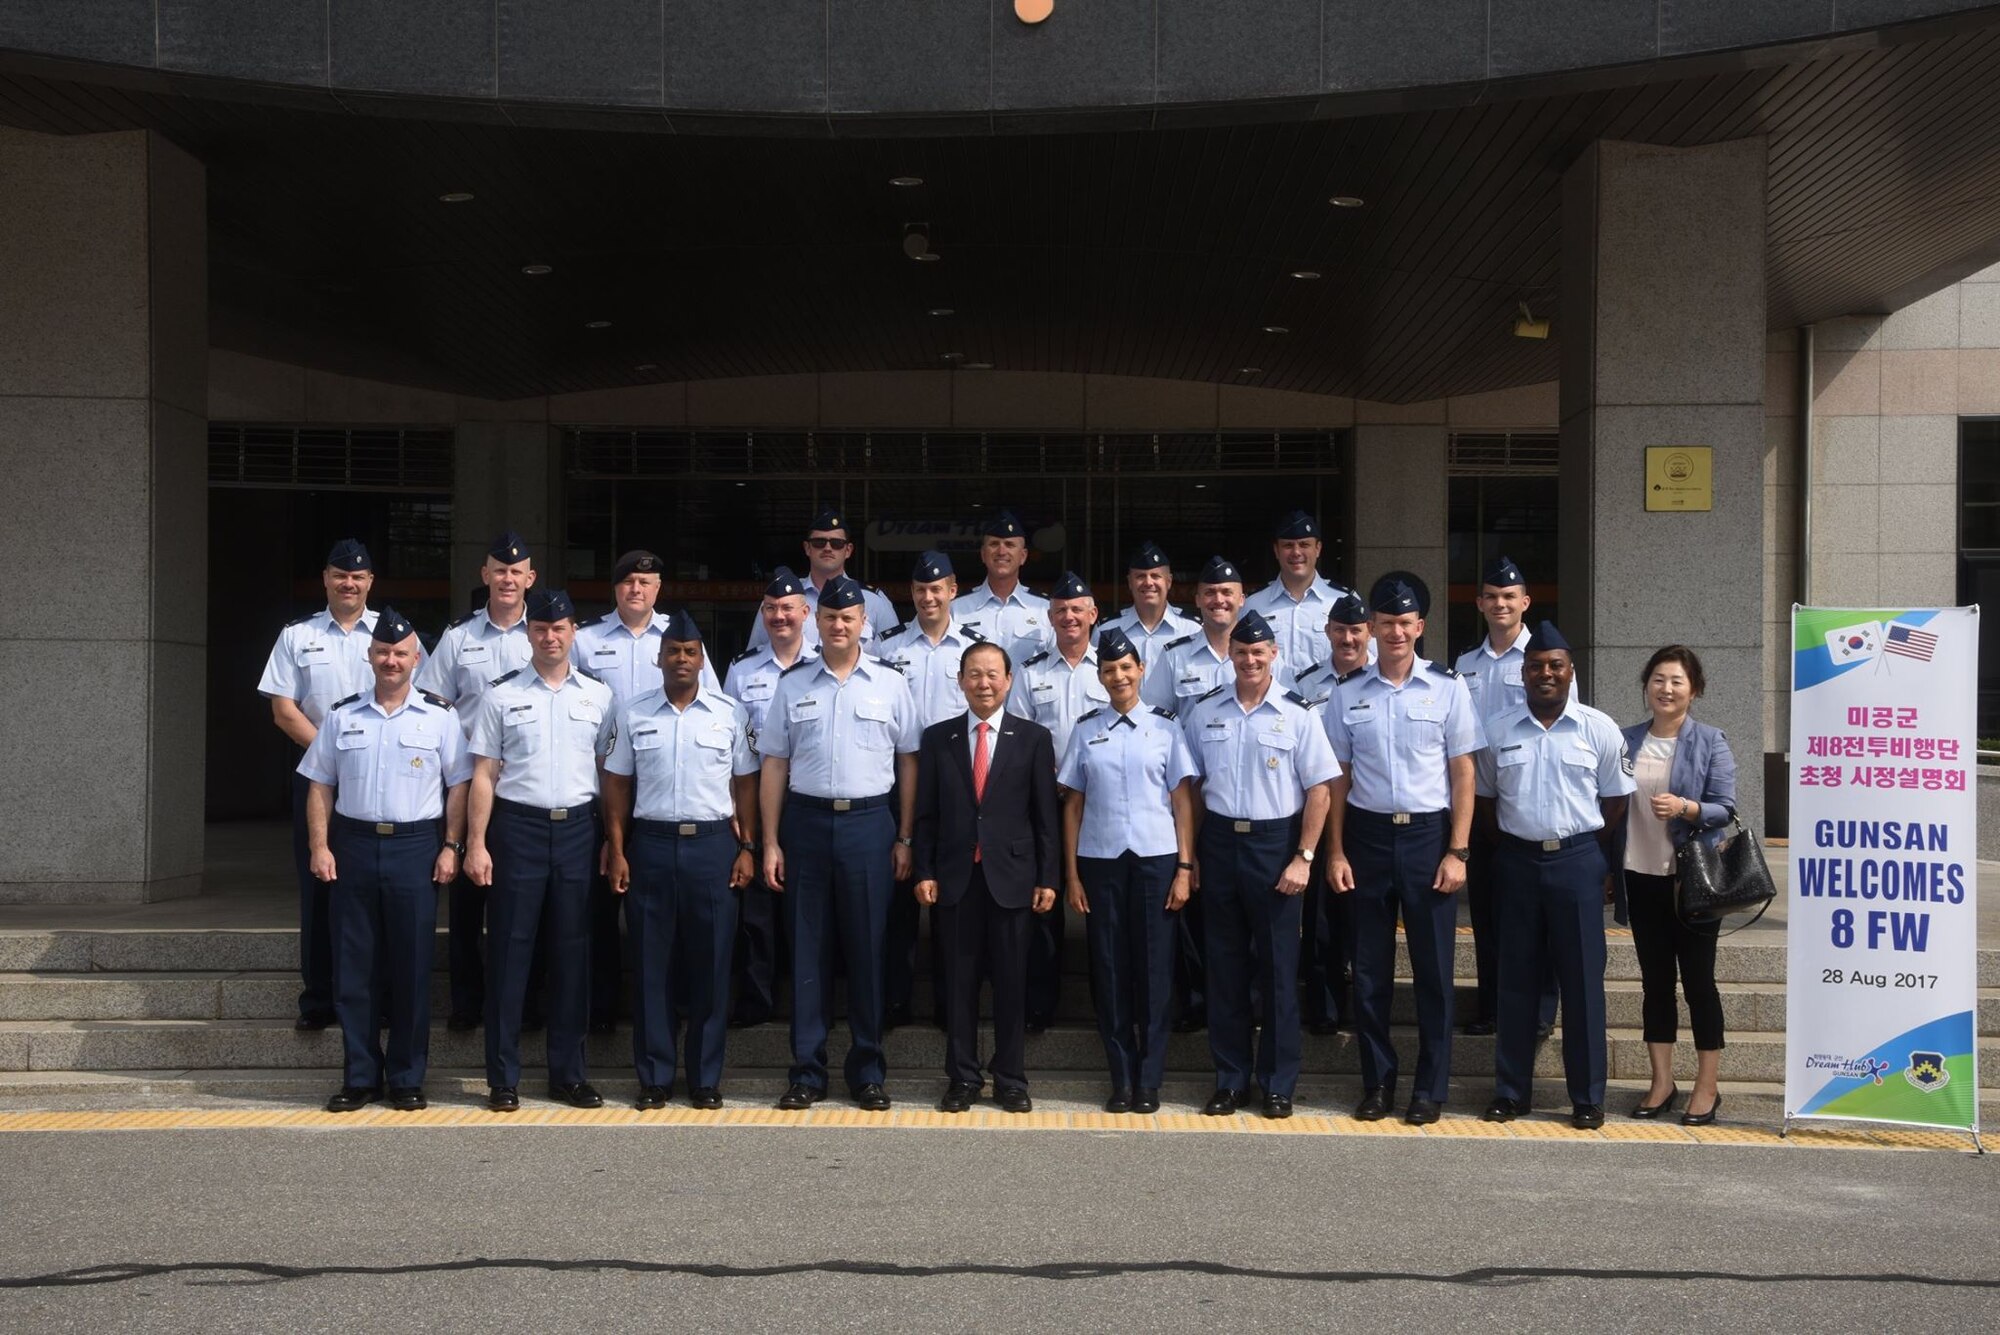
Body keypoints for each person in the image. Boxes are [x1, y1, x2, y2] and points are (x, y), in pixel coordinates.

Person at [759, 575, 922, 1111]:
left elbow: (908, 762)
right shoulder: (794, 684)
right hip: (805, 824)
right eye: (829, 617)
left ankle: (868, 1069)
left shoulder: (890, 683)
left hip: (870, 825)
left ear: (863, 625)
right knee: (808, 949)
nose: (838, 626)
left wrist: (904, 835)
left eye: (847, 618)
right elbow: (775, 764)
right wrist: (771, 841)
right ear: (816, 621)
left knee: (868, 949)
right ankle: (807, 1070)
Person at [1322, 581, 1481, 1124]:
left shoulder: (1448, 689)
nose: (1394, 632)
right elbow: (1337, 779)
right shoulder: (1347, 693)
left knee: (1434, 973)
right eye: (1384, 622)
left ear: (1420, 628)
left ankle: (1429, 1089)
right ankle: (1378, 1083)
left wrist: (1458, 850)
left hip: (1427, 838)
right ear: (1370, 627)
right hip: (1365, 838)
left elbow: (1463, 772)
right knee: (1369, 974)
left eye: (1404, 622)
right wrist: (1335, 851)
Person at [298, 608, 469, 1113]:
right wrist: (319, 845)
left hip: (415, 846)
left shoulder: (440, 715)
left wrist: (451, 845)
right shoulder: (343, 714)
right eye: (382, 652)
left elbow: (459, 784)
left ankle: (407, 1077)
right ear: (370, 657)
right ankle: (360, 1076)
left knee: (412, 966)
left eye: (400, 653)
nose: (391, 660)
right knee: (355, 967)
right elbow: (319, 783)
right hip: (352, 844)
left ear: (417, 658)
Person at [463, 587, 616, 1112]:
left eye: (559, 628)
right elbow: (483, 774)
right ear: (529, 633)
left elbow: (608, 774)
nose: (549, 637)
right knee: (509, 952)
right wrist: (476, 843)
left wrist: (612, 842)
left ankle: (568, 1074)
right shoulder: (500, 694)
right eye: (540, 629)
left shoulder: (599, 695)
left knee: (572, 953)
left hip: (578, 830)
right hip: (518, 830)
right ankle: (502, 1078)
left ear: (573, 633)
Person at [1475, 624, 1634, 1130]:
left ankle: (1587, 1098)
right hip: (1517, 862)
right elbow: (1484, 800)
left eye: (1555, 665)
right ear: (1522, 674)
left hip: (1577, 862)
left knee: (1584, 982)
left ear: (1570, 672)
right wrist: (1517, 844)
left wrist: (1587, 854)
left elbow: (1616, 801)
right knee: (1515, 981)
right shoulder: (1497, 729)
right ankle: (1511, 1091)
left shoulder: (1598, 728)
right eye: (1536, 666)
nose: (1546, 674)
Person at [1181, 610, 1339, 1119]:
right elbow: (1193, 791)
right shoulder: (1205, 712)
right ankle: (1230, 1080)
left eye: (1259, 652)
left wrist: (1305, 857)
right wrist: (1191, 857)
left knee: (1276, 969)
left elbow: (1320, 790)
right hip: (1221, 844)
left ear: (1275, 655)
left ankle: (1276, 1082)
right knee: (1224, 969)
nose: (1249, 660)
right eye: (1242, 652)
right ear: (1231, 655)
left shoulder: (1298, 714)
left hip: (1276, 846)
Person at [602, 611, 760, 1111]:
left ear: (701, 658)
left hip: (712, 848)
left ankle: (705, 1078)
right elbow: (617, 784)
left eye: (691, 652)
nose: (682, 659)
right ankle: (654, 1077)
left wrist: (748, 847)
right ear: (660, 657)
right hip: (649, 846)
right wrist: (618, 847)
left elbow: (746, 782)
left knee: (711, 966)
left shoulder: (730, 714)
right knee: (652, 966)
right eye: (674, 651)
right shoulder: (633, 713)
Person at [571, 549, 722, 1035]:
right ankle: (602, 1007)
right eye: (629, 581)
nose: (637, 589)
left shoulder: (682, 639)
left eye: (647, 582)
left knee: (677, 925)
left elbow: (715, 706)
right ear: (615, 588)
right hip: (606, 787)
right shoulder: (587, 639)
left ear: (659, 589)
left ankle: (678, 1009)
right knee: (606, 908)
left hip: (672, 794)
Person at [1141, 554, 1293, 1031]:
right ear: (1197, 600)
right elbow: (1157, 722)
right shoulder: (1176, 654)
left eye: (1227, 593)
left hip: (1261, 811)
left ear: (1242, 599)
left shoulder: (1269, 657)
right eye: (1210, 593)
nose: (1219, 600)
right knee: (1206, 923)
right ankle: (1204, 1006)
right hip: (1194, 803)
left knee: (1258, 931)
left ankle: (1254, 1012)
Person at [912, 642, 1060, 1114]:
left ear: (1009, 680)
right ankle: (962, 1078)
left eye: (993, 674)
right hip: (956, 878)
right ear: (960, 681)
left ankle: (1011, 1079)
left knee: (1012, 983)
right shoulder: (939, 739)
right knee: (958, 984)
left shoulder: (1033, 738)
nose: (984, 683)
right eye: (974, 674)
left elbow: (1045, 818)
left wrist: (1048, 877)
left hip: (1013, 879)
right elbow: (927, 813)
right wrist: (925, 869)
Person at [1058, 627, 1198, 1114]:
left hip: (1157, 861)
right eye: (1109, 669)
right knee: (1111, 970)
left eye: (1126, 668)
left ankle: (1150, 1078)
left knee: (1156, 972)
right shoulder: (1086, 728)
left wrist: (1184, 866)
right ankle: (1121, 1077)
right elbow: (1072, 805)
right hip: (1100, 862)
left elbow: (1182, 802)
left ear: (1140, 670)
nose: (1118, 676)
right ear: (1100, 676)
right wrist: (1072, 874)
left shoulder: (1166, 727)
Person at [258, 538, 391, 1032]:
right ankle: (318, 998)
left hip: (380, 780)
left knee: (375, 892)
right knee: (320, 888)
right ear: (326, 579)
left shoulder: (391, 634)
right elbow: (283, 709)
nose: (348, 583)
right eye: (340, 575)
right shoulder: (298, 635)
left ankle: (377, 998)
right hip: (318, 778)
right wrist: (330, 757)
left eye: (357, 577)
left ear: (369, 582)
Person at [416, 530, 540, 1032]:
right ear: (484, 576)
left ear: (530, 578)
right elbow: (432, 704)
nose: (508, 579)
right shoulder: (459, 637)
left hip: (528, 787)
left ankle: (526, 1003)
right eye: (499, 570)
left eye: (517, 572)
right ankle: (467, 1002)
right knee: (469, 903)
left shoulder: (550, 632)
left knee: (526, 903)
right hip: (471, 784)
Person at [1612, 646, 1736, 1126]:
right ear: (1646, 685)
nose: (1666, 689)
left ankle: (1707, 1087)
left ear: (1694, 690)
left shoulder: (1710, 741)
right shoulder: (1625, 740)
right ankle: (1661, 1082)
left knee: (1700, 984)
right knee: (1655, 984)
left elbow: (1725, 806)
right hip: (1640, 878)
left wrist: (1687, 807)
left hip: (1693, 884)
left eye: (1677, 681)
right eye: (1659, 679)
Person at [1454, 553, 1568, 1038]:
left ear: (1525, 601)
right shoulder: (1463, 665)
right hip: (1480, 802)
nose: (1500, 604)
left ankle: (1540, 1009)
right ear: (1479, 603)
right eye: (1492, 597)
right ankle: (1492, 1004)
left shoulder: (1547, 660)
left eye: (1509, 597)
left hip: (1529, 800)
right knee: (1487, 910)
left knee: (1535, 914)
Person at [870, 550, 984, 1028]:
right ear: (911, 595)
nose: (929, 597)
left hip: (959, 780)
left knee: (952, 899)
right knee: (898, 898)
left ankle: (947, 1005)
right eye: (920, 590)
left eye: (937, 589)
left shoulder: (975, 646)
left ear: (953, 590)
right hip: (901, 778)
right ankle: (895, 1000)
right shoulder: (890, 645)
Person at [1006, 570, 1106, 1030]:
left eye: (1077, 609)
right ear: (1050, 617)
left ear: (1093, 615)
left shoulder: (1112, 667)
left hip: (1102, 801)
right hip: (1046, 799)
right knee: (1043, 903)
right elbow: (1022, 735)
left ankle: (1108, 1004)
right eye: (1061, 610)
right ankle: (1039, 1008)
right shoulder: (1030, 673)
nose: (1069, 616)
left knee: (1103, 904)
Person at [722, 567, 818, 1027]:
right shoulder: (742, 671)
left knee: (808, 906)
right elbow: (727, 742)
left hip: (807, 797)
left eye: (788, 609)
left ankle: (809, 998)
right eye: (771, 609)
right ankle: (758, 999)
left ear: (806, 612)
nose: (780, 616)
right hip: (757, 798)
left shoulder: (826, 663)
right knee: (758, 909)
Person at [1295, 592, 1370, 1033]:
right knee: (1320, 916)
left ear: (1369, 634)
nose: (1347, 638)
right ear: (1327, 632)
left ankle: (1362, 1006)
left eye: (1355, 630)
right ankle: (1322, 1007)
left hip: (1366, 811)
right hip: (1319, 812)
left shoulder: (1383, 680)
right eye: (1339, 630)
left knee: (1363, 917)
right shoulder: (1306, 685)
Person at [746, 508, 898, 650]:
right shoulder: (779, 599)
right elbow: (755, 662)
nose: (827, 548)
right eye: (819, 542)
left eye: (836, 543)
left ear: (848, 550)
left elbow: (892, 659)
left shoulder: (874, 601)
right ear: (807, 548)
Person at [1243, 510, 1360, 677]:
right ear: (1276, 550)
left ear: (1318, 549)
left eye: (1304, 545)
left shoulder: (1344, 600)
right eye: (1288, 545)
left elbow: (1368, 658)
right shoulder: (1253, 604)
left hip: (1328, 701)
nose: (1296, 552)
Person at [952, 509, 1052, 663]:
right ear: (983, 554)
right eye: (994, 544)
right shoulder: (956, 609)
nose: (1001, 551)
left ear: (1023, 556)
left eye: (1009, 545)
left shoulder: (1045, 609)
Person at [1108, 541, 1197, 682]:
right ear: (1130, 582)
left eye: (1155, 576)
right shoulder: (1107, 630)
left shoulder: (1192, 630)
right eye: (1140, 576)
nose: (1148, 583)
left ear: (1169, 581)